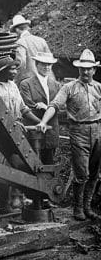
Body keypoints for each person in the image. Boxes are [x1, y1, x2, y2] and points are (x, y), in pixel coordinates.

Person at [37, 49, 101, 221]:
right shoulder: (69, 87)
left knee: (95, 173)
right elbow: (54, 105)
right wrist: (43, 122)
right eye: (83, 69)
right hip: (78, 132)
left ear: (94, 70)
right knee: (82, 173)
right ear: (78, 70)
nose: (86, 72)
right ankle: (78, 208)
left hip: (97, 131)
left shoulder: (98, 88)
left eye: (89, 69)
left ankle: (87, 207)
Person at [0, 54, 41, 215]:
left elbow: (23, 109)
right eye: (12, 68)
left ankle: (3, 207)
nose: (16, 71)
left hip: (15, 135)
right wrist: (12, 123)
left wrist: (39, 122)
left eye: (16, 68)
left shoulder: (13, 86)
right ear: (2, 70)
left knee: (10, 172)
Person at [19, 51, 60, 164]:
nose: (47, 67)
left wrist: (47, 107)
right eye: (43, 64)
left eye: (49, 64)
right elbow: (28, 105)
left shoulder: (56, 85)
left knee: (49, 163)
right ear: (36, 65)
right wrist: (48, 109)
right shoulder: (26, 84)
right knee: (32, 163)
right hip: (34, 129)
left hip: (51, 130)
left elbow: (60, 106)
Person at [10, 14, 52, 84]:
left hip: (30, 81)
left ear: (17, 30)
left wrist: (16, 80)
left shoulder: (20, 42)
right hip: (45, 79)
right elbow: (50, 59)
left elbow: (22, 63)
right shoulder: (41, 40)